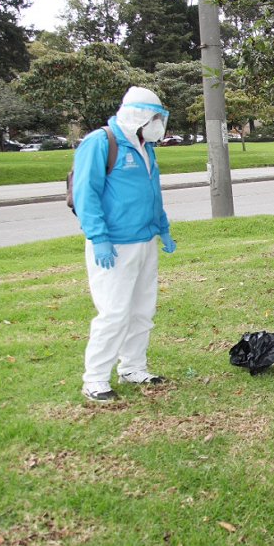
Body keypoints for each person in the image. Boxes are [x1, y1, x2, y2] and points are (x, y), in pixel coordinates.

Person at [73, 86, 176, 402]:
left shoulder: (145, 146)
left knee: (142, 309)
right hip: (114, 246)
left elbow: (152, 192)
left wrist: (163, 228)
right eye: (154, 116)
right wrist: (98, 236)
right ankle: (95, 379)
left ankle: (133, 367)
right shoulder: (102, 142)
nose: (157, 122)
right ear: (139, 115)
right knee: (114, 312)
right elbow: (85, 193)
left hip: (144, 241)